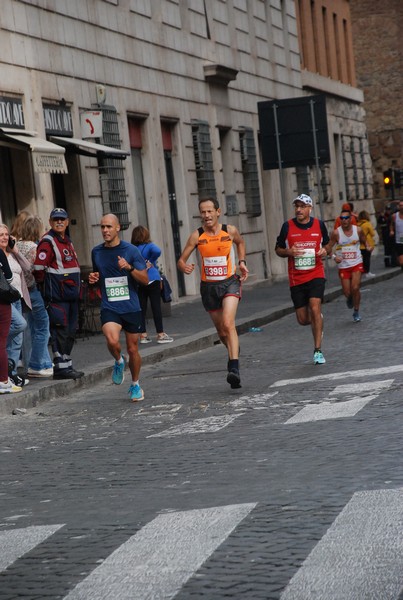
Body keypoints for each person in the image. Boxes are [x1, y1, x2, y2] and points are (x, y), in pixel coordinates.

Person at [177, 197, 249, 389]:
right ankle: (233, 350)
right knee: (221, 331)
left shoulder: (229, 230)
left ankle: (234, 367)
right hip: (208, 288)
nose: (206, 215)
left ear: (218, 212)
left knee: (228, 323)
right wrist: (184, 267)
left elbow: (240, 244)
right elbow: (181, 260)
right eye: (203, 212)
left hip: (229, 283)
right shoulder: (196, 236)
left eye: (210, 211)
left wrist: (241, 262)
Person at [89, 214, 149, 402]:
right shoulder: (96, 252)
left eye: (108, 226)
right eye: (102, 227)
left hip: (131, 306)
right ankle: (118, 361)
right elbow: (97, 276)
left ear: (118, 228)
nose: (105, 230)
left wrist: (129, 268)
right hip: (110, 306)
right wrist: (93, 280)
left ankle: (135, 384)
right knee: (112, 340)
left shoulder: (131, 251)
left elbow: (145, 280)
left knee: (133, 349)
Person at [275, 194, 329, 365]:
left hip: (316, 274)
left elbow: (327, 244)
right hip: (296, 278)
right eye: (296, 206)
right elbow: (278, 249)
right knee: (303, 320)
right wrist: (288, 252)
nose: (298, 209)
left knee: (314, 305)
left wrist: (325, 250)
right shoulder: (287, 226)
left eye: (302, 206)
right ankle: (317, 318)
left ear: (309, 208)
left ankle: (318, 351)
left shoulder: (319, 225)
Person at [33, 208, 83, 380]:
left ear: (67, 221)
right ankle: (60, 367)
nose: (59, 222)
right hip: (57, 296)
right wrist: (46, 288)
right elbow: (38, 268)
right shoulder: (48, 241)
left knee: (70, 330)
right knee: (60, 329)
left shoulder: (66, 240)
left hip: (71, 295)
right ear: (50, 222)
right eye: (56, 220)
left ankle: (67, 364)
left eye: (62, 219)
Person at [14, 215, 53, 377]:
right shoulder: (34, 248)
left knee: (29, 328)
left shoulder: (16, 245)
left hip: (20, 292)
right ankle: (37, 364)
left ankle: (41, 362)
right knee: (43, 327)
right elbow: (37, 269)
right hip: (32, 290)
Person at [130, 225, 174, 345]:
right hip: (152, 278)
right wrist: (150, 260)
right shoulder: (149, 246)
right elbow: (157, 251)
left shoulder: (132, 249)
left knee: (141, 308)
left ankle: (143, 335)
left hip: (139, 279)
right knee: (156, 307)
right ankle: (160, 334)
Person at [327, 208, 370, 323]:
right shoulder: (336, 233)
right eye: (342, 218)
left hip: (356, 262)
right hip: (343, 266)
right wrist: (334, 257)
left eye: (346, 218)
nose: (344, 220)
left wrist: (367, 246)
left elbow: (364, 240)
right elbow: (327, 248)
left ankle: (356, 311)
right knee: (347, 293)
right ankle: (350, 298)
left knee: (355, 287)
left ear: (351, 219)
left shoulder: (358, 230)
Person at [0, 229, 22, 394]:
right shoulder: (0, 253)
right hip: (2, 302)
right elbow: (8, 278)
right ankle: (4, 381)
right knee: (1, 342)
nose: (4, 238)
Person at [357, 210, 376, 277]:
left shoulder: (357, 224)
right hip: (367, 244)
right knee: (367, 259)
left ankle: (361, 272)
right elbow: (372, 234)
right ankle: (367, 272)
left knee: (361, 260)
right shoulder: (367, 224)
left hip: (359, 245)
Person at [389, 200, 403, 269]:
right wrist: (391, 231)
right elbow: (391, 225)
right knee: (401, 262)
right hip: (399, 240)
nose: (401, 207)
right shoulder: (394, 216)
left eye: (402, 205)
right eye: (400, 205)